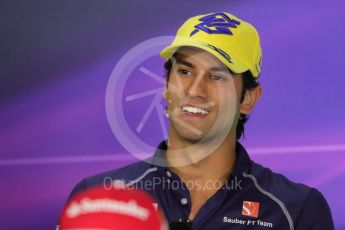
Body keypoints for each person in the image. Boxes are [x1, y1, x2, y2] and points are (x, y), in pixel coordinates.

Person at [66, 12, 334, 229]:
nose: (195, 90)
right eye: (184, 71)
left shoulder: (296, 210)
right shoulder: (97, 198)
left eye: (217, 76)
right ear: (166, 86)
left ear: (248, 99)